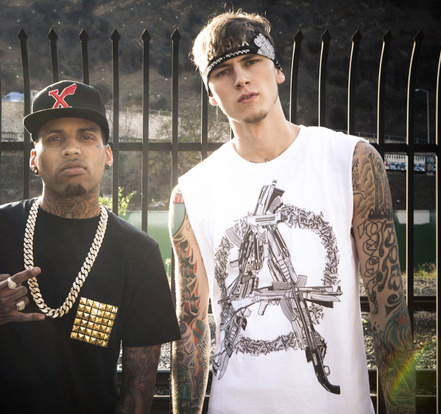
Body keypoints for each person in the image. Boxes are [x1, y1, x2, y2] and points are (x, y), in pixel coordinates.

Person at [169, 11, 415, 414]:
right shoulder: (190, 193)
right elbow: (190, 331)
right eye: (223, 71)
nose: (241, 78)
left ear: (278, 70)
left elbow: (389, 309)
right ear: (211, 93)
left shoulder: (351, 161)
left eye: (251, 61)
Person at [0, 80, 180, 413]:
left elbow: (139, 385)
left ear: (107, 155)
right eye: (54, 138)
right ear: (33, 159)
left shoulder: (139, 253)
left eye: (87, 137)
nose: (71, 149)